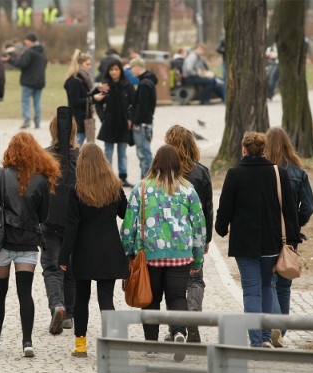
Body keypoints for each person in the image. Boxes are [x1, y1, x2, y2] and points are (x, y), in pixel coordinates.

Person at [0, 132, 60, 357]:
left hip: (2, 242)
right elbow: (43, 216)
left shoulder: (1, 174)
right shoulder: (41, 180)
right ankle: (27, 342)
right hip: (28, 244)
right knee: (25, 293)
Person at [215, 131, 300, 348]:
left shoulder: (235, 174)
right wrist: (292, 238)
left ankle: (256, 340)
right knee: (266, 287)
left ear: (244, 149)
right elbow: (289, 210)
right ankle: (264, 336)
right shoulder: (277, 173)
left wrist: (221, 227)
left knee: (251, 290)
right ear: (263, 149)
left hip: (244, 243)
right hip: (271, 241)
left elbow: (225, 207)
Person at [121, 145, 206, 361]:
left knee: (151, 300)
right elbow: (199, 226)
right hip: (180, 254)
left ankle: (151, 345)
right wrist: (197, 258)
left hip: (149, 254)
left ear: (155, 163)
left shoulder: (141, 189)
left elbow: (129, 226)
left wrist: (127, 252)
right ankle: (179, 332)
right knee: (177, 296)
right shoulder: (188, 189)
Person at [59, 143, 128, 358]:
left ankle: (80, 345)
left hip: (84, 251)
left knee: (81, 299)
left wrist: (63, 256)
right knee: (106, 300)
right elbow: (125, 213)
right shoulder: (115, 186)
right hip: (109, 250)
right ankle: (112, 344)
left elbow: (71, 227)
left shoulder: (76, 190)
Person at [264, 127, 313, 348]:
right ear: (288, 145)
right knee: (285, 284)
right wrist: (296, 222)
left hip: (267, 234)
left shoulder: (264, 171)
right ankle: (281, 330)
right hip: (290, 236)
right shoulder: (297, 172)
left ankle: (274, 324)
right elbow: (309, 205)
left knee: (271, 282)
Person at [164, 125, 213, 343]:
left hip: (167, 236)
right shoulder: (201, 172)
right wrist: (206, 238)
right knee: (195, 279)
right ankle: (193, 314)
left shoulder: (162, 172)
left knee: (172, 285)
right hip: (194, 234)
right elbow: (208, 208)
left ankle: (177, 328)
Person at [39, 115, 78, 336]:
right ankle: (69, 315)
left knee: (52, 267)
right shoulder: (80, 156)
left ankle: (57, 305)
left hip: (49, 219)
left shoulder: (45, 156)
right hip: (73, 221)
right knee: (70, 268)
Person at [95, 58, 136, 188]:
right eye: (111, 70)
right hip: (109, 124)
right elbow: (98, 103)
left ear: (120, 70)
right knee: (108, 151)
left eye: (116, 69)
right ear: (108, 71)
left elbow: (134, 104)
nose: (114, 72)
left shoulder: (127, 85)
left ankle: (123, 177)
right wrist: (103, 117)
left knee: (122, 153)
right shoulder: (105, 86)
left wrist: (130, 118)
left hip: (123, 124)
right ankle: (108, 177)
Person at [63, 49, 106, 146]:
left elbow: (86, 95)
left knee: (86, 148)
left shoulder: (83, 79)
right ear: (80, 64)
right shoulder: (74, 81)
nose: (90, 67)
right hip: (78, 120)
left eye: (90, 64)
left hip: (85, 119)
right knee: (76, 149)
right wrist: (94, 99)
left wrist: (98, 90)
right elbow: (75, 102)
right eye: (88, 64)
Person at [5, 34, 47, 129]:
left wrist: (10, 60)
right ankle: (37, 122)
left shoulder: (29, 52)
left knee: (25, 101)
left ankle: (27, 120)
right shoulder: (42, 52)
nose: (25, 43)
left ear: (30, 41)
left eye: (26, 41)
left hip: (28, 81)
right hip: (40, 81)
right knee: (37, 102)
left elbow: (21, 63)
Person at [128, 57, 157, 179]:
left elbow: (142, 106)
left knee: (144, 154)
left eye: (131, 68)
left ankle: (146, 180)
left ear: (137, 67)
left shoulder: (144, 84)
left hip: (142, 124)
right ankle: (146, 179)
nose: (130, 71)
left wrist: (135, 120)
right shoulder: (147, 81)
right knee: (144, 153)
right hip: (146, 123)